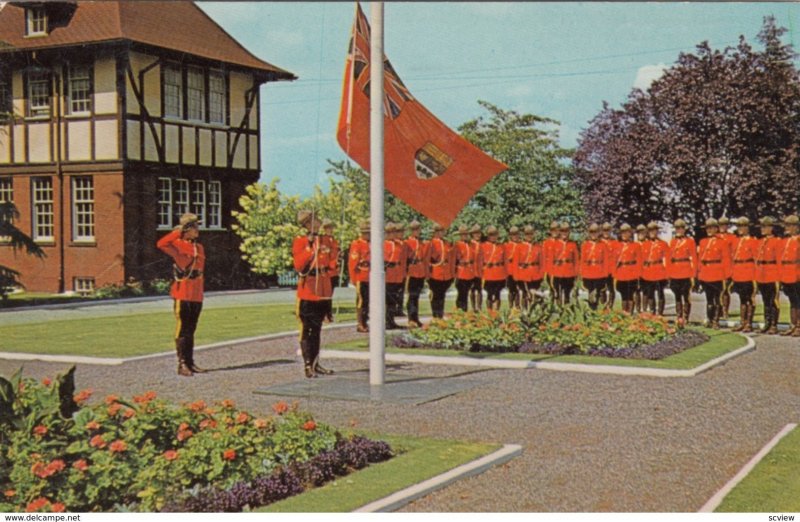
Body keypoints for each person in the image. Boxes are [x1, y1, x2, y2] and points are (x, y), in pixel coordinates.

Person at [157, 213, 206, 377]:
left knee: (191, 328)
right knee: (182, 327)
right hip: (183, 291)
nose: (198, 230)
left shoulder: (198, 247)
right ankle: (182, 364)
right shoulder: (177, 244)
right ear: (188, 229)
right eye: (195, 227)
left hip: (196, 292)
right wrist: (179, 232)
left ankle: (190, 362)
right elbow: (161, 243)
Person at [292, 210, 334, 378]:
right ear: (307, 224)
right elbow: (299, 265)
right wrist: (309, 248)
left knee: (317, 329)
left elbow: (330, 259)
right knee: (307, 329)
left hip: (322, 288)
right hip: (308, 289)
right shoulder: (300, 241)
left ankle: (316, 363)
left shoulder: (324, 240)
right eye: (315, 220)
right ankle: (307, 365)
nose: (318, 222)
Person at [697, 218, 732, 329]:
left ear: (716, 229)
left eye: (711, 228)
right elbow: (700, 259)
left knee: (717, 299)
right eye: (707, 228)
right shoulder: (703, 242)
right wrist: (699, 273)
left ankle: (716, 321)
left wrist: (726, 275)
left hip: (717, 273)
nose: (709, 230)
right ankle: (710, 319)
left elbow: (726, 259)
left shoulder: (722, 242)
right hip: (706, 272)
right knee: (709, 299)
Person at [730, 217, 759, 333]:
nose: (740, 228)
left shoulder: (753, 241)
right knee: (742, 299)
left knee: (750, 299)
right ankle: (743, 322)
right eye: (739, 226)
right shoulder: (736, 241)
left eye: (743, 226)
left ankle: (749, 323)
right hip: (738, 271)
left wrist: (755, 275)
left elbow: (756, 259)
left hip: (749, 271)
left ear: (747, 227)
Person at [667, 218, 697, 326]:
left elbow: (693, 258)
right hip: (675, 271)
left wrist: (693, 274)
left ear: (685, 229)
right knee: (677, 296)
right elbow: (669, 258)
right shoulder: (672, 242)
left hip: (685, 271)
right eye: (677, 228)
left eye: (681, 228)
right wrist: (669, 274)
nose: (679, 230)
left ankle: (686, 317)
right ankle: (679, 317)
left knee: (686, 296)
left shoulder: (690, 241)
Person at [755, 216, 783, 334]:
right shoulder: (760, 241)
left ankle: (774, 325)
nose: (762, 229)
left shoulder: (777, 241)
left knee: (773, 300)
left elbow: (779, 260)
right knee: (765, 300)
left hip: (772, 273)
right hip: (762, 273)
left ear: (771, 228)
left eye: (765, 226)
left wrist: (779, 276)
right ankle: (767, 322)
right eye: (761, 226)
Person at [426, 223, 455, 318]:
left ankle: (440, 315)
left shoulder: (447, 243)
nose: (441, 233)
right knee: (435, 296)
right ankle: (435, 316)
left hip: (445, 275)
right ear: (434, 233)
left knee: (442, 296)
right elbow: (427, 260)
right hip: (435, 274)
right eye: (438, 231)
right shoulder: (431, 243)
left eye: (442, 231)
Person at [613, 223, 642, 314]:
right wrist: (614, 274)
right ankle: (624, 314)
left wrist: (638, 275)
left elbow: (639, 261)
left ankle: (630, 314)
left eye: (627, 232)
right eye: (623, 233)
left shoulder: (636, 245)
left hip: (631, 272)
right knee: (623, 295)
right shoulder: (616, 246)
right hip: (621, 272)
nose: (625, 235)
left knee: (630, 295)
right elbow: (613, 261)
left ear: (630, 233)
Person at [641, 222, 669, 315]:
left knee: (660, 293)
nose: (653, 232)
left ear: (657, 231)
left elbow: (666, 258)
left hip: (659, 269)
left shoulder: (663, 244)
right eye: (650, 231)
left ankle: (660, 313)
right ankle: (652, 312)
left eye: (654, 230)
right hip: (648, 270)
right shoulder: (645, 244)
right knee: (650, 293)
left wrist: (667, 273)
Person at [779, 215, 800, 336]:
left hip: (797, 273)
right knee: (792, 301)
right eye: (786, 225)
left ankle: (799, 326)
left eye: (789, 225)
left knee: (799, 301)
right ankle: (793, 325)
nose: (786, 228)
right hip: (787, 273)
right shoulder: (785, 241)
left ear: (796, 227)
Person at [579, 223, 608, 310]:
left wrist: (605, 274)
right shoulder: (585, 245)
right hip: (589, 273)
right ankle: (592, 311)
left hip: (599, 272)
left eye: (595, 232)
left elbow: (606, 260)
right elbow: (582, 260)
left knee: (600, 292)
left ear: (599, 232)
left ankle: (602, 312)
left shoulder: (603, 245)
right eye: (591, 232)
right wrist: (582, 274)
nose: (593, 234)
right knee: (591, 293)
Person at [348, 221, 371, 333]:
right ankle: (360, 323)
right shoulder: (357, 244)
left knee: (368, 300)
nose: (368, 235)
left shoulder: (371, 243)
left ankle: (365, 321)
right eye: (366, 233)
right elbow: (353, 263)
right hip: (361, 276)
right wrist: (354, 279)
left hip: (370, 276)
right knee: (362, 300)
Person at [515, 225, 544, 309]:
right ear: (524, 235)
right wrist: (516, 276)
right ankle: (525, 311)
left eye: (531, 234)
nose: (529, 236)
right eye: (527, 234)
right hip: (523, 274)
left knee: (533, 294)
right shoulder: (519, 246)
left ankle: (534, 311)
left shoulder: (538, 247)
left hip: (535, 274)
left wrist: (541, 274)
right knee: (525, 293)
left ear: (534, 234)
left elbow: (542, 263)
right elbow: (516, 263)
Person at [405, 220, 428, 327]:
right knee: (412, 296)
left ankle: (416, 318)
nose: (417, 231)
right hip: (412, 271)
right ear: (411, 231)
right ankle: (411, 319)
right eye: (414, 230)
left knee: (417, 296)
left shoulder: (422, 243)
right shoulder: (407, 243)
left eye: (418, 229)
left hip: (420, 271)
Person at [551, 222, 579, 306]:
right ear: (559, 232)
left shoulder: (573, 244)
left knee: (567, 293)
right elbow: (551, 259)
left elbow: (576, 260)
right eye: (562, 231)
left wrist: (576, 273)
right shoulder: (555, 243)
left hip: (569, 271)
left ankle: (566, 312)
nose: (564, 233)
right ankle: (559, 311)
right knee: (558, 293)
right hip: (558, 271)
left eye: (566, 231)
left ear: (569, 232)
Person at [384, 223, 406, 329]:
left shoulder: (398, 244)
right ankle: (388, 321)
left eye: (394, 232)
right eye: (390, 232)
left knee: (394, 299)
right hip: (389, 274)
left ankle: (391, 321)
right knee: (389, 299)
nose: (392, 234)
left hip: (397, 275)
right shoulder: (384, 244)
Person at [481, 225, 507, 310]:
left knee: (497, 294)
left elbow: (505, 261)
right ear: (488, 236)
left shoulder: (502, 246)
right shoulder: (483, 246)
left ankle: (496, 312)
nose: (493, 237)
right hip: (488, 273)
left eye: (495, 234)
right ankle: (489, 312)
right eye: (491, 235)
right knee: (489, 294)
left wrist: (505, 274)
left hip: (499, 273)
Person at [455, 224, 479, 312]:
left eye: (465, 234)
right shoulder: (457, 245)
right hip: (461, 272)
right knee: (461, 293)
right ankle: (460, 311)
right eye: (462, 234)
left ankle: (465, 311)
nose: (464, 236)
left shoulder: (471, 245)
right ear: (460, 235)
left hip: (469, 272)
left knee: (467, 292)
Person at [321, 219, 340, 323]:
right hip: (327, 271)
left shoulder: (333, 240)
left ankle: (328, 314)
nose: (330, 229)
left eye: (331, 227)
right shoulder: (323, 240)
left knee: (330, 294)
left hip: (333, 271)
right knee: (326, 294)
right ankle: (325, 315)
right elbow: (324, 256)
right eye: (328, 227)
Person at [600, 222, 621, 310]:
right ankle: (603, 306)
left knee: (611, 288)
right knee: (602, 289)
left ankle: (610, 305)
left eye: (608, 230)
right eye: (604, 230)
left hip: (612, 269)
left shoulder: (614, 242)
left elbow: (618, 255)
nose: (606, 232)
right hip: (601, 269)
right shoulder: (599, 242)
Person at [542, 221, 561, 302]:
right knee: (552, 289)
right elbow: (543, 257)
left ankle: (561, 310)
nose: (555, 232)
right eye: (553, 230)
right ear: (550, 231)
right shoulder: (546, 243)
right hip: (550, 271)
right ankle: (552, 308)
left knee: (560, 290)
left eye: (557, 230)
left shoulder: (562, 242)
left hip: (560, 270)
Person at [504, 226, 521, 309]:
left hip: (519, 271)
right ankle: (511, 306)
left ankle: (517, 306)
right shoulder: (506, 246)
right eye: (513, 235)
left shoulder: (521, 245)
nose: (515, 236)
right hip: (510, 271)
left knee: (518, 289)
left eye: (516, 234)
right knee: (511, 290)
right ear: (510, 236)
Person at [469, 225, 484, 311]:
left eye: (478, 233)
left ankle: (479, 307)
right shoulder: (470, 244)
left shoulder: (482, 244)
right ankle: (473, 307)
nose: (477, 235)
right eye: (475, 233)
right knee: (472, 289)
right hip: (471, 270)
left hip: (480, 270)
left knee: (479, 289)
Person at [634, 224, 648, 313]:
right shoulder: (634, 244)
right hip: (636, 269)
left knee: (646, 290)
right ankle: (638, 309)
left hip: (646, 269)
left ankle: (645, 309)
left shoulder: (648, 244)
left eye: (642, 233)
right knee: (636, 290)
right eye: (639, 233)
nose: (641, 234)